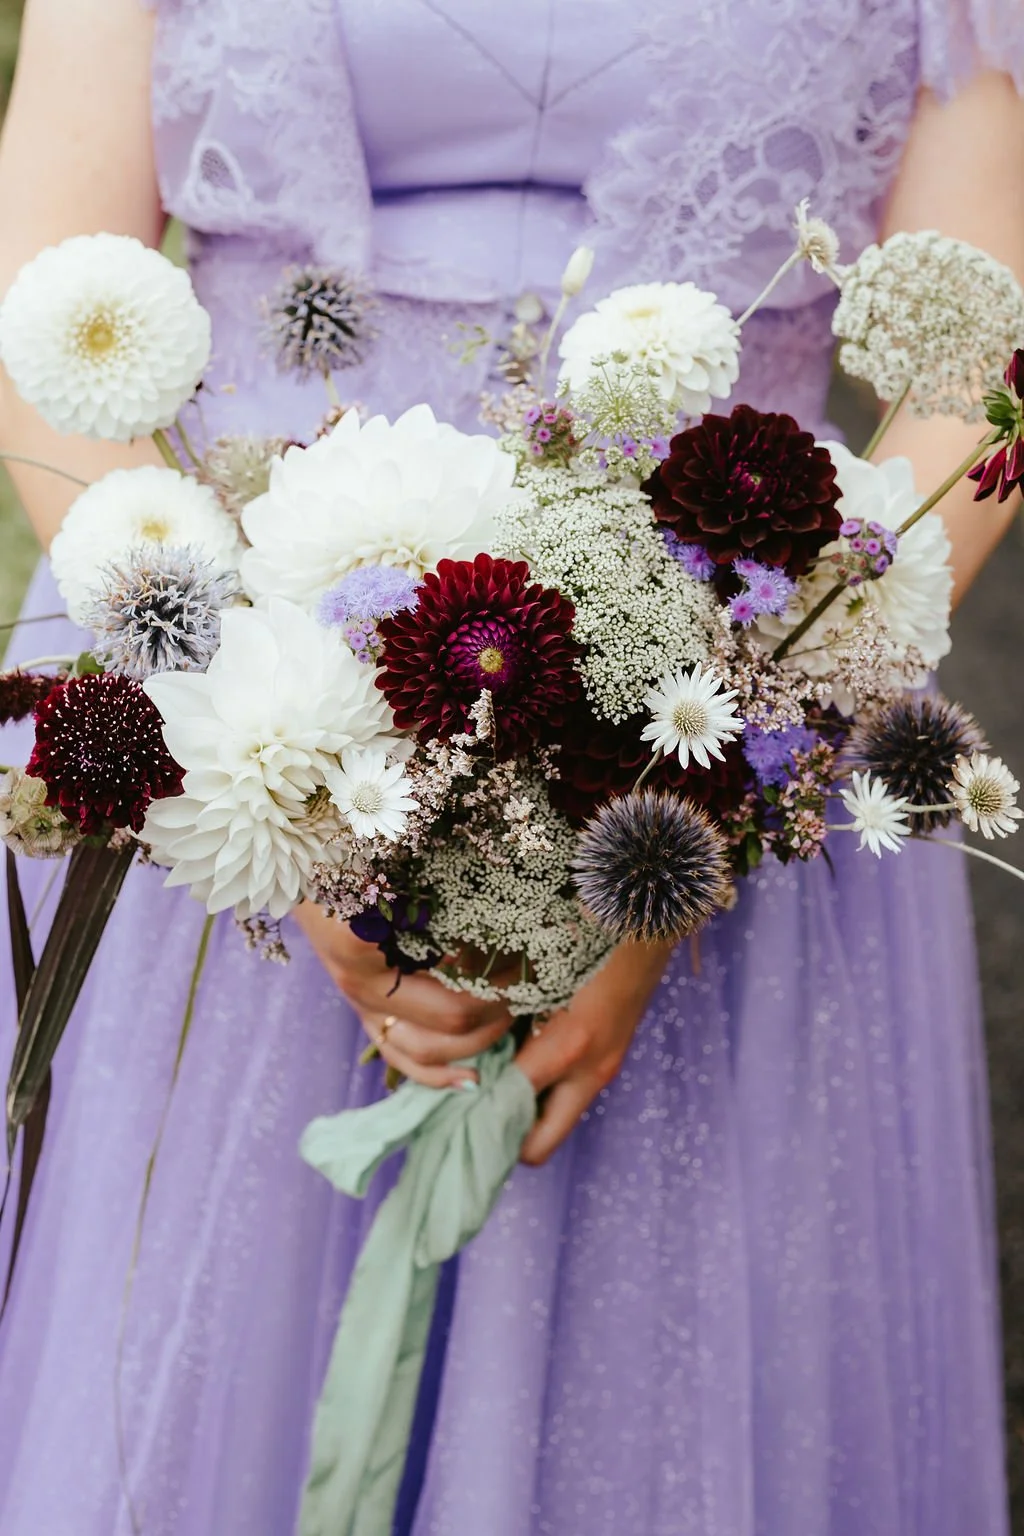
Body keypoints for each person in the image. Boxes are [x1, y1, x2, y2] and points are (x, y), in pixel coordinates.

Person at [1, 0, 1023, 1531]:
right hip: (222, 687)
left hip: (726, 699)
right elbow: (41, 284)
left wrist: (683, 827)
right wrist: (265, 774)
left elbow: (982, 370)